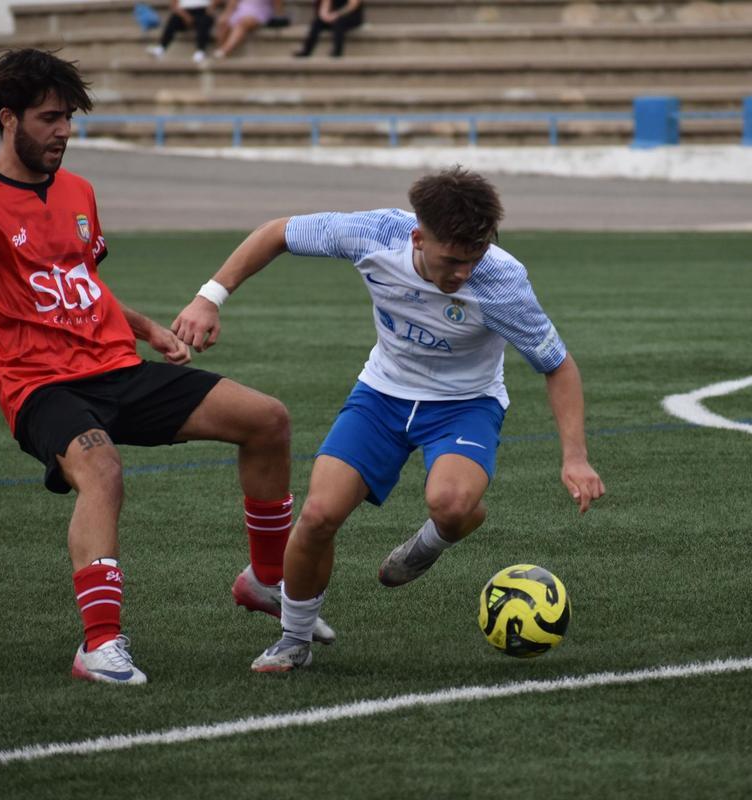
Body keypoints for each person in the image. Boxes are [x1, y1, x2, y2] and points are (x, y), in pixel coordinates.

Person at [0, 49, 333, 686]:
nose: (64, 131)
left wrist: (150, 328)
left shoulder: (78, 193)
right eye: (50, 118)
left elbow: (82, 285)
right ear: (7, 119)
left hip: (116, 368)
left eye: (68, 117)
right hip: (41, 388)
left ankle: (265, 581)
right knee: (102, 468)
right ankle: (98, 646)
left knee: (267, 419)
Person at [172, 167, 607, 672]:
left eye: (476, 256)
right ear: (418, 237)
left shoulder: (501, 282)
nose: (464, 271)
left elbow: (558, 365)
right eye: (452, 259)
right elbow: (277, 233)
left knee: (450, 503)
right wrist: (210, 297)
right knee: (318, 516)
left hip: (465, 404)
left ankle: (431, 541)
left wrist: (574, 458)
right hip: (381, 395)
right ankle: (294, 640)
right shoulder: (373, 234)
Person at [148, 0, 222, 64]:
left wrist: (210, 9)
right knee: (173, 20)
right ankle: (161, 48)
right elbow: (174, 5)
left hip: (203, 11)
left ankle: (200, 51)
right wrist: (185, 16)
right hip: (184, 12)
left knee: (205, 21)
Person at [214, 0, 285, 58]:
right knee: (223, 22)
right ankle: (220, 48)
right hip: (241, 10)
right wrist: (227, 14)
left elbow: (277, 3)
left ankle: (225, 50)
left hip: (259, 11)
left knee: (242, 23)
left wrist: (278, 15)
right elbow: (233, 2)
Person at [294, 0, 364, 58]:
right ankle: (306, 51)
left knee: (339, 23)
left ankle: (337, 51)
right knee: (316, 22)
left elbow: (352, 5)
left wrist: (337, 15)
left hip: (350, 15)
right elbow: (325, 4)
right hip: (333, 15)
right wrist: (324, 15)